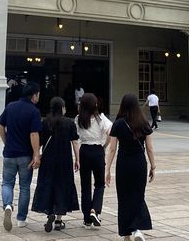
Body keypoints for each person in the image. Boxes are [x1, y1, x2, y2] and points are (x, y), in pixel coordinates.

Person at [106, 94, 156, 241]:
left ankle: (126, 235)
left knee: (124, 198)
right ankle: (138, 229)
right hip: (139, 163)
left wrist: (107, 169)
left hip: (124, 164)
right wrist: (153, 166)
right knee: (138, 196)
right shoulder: (143, 122)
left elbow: (112, 149)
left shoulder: (118, 124)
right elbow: (150, 148)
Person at [0, 81, 42, 231]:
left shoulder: (10, 106)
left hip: (9, 153)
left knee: (7, 183)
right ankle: (21, 219)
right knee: (24, 187)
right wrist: (36, 154)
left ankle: (8, 205)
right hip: (25, 156)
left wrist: (6, 142)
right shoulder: (34, 111)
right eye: (38, 94)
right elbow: (34, 133)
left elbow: (0, 125)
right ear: (34, 95)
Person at [32, 96, 80, 232]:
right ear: (62, 108)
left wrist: (36, 154)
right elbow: (75, 142)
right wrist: (78, 159)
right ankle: (58, 220)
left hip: (48, 160)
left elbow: (39, 141)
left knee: (48, 185)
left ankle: (50, 213)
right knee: (62, 186)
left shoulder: (45, 122)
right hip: (64, 160)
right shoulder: (69, 123)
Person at [75, 92, 112, 228]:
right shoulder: (100, 118)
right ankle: (94, 210)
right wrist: (105, 145)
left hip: (84, 151)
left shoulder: (78, 119)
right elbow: (111, 132)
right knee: (99, 184)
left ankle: (86, 219)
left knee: (85, 187)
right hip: (97, 151)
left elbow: (76, 136)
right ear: (94, 104)